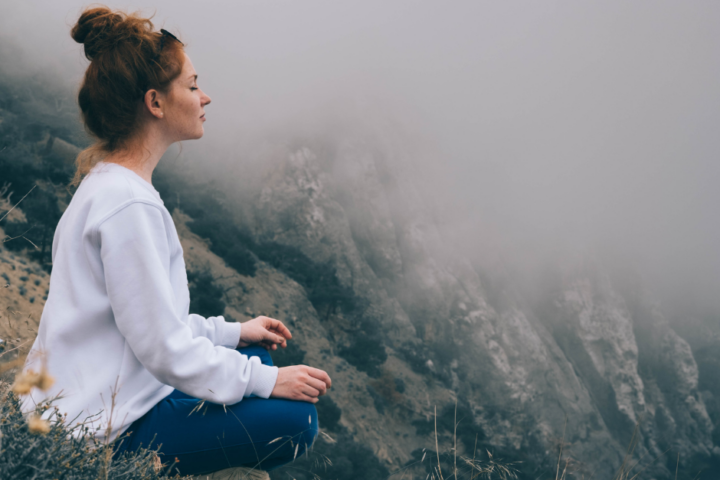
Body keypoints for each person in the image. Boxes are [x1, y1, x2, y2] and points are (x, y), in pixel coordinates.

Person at [18, 6, 332, 477]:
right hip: (97, 434)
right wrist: (266, 381)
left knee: (253, 355)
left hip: (87, 403)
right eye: (191, 85)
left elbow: (143, 322)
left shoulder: (109, 185)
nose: (205, 97)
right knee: (297, 421)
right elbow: (162, 347)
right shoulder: (130, 206)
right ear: (155, 103)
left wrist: (233, 332)